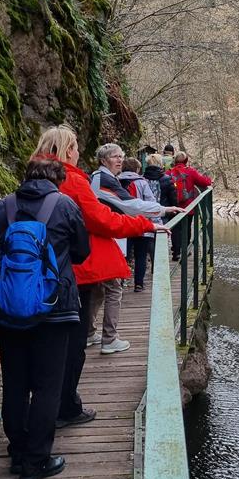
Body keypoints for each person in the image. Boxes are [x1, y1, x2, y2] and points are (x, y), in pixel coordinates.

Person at [31, 125, 163, 424]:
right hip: (74, 272)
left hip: (40, 271)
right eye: (76, 147)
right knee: (73, 345)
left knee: (52, 344)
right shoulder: (72, 182)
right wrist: (144, 224)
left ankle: (50, 407)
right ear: (67, 151)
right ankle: (66, 407)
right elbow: (102, 220)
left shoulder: (33, 177)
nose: (79, 153)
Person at [0, 158, 90, 479]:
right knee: (47, 386)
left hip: (6, 311)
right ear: (58, 180)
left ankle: (18, 452)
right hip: (54, 310)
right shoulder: (65, 206)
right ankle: (37, 461)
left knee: (14, 383)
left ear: (25, 178)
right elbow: (82, 252)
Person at [88, 143, 181, 351]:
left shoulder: (98, 177)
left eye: (121, 156)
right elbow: (131, 205)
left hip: (98, 238)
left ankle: (89, 333)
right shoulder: (104, 180)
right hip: (103, 238)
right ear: (104, 160)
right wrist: (163, 210)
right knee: (113, 288)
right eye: (114, 156)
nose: (120, 160)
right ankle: (109, 339)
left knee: (97, 289)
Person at [119, 157, 162, 291]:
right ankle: (139, 284)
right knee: (141, 255)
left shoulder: (116, 181)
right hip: (141, 224)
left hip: (123, 224)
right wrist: (157, 223)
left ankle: (120, 282)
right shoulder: (142, 183)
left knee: (123, 255)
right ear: (137, 169)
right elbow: (150, 202)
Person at [168, 152, 213, 260]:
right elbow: (204, 182)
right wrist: (210, 180)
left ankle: (175, 252)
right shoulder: (190, 172)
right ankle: (185, 251)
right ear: (186, 161)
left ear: (175, 161)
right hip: (188, 207)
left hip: (173, 206)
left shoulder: (169, 173)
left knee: (175, 229)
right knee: (186, 228)